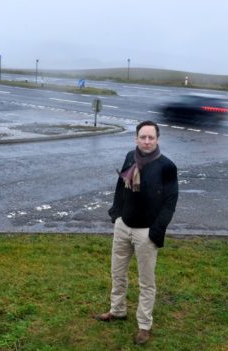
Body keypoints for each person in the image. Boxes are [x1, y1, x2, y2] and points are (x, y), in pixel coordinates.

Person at [95, 120, 179, 345]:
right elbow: (120, 186)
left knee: (146, 282)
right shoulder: (130, 157)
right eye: (143, 137)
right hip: (123, 227)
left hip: (146, 233)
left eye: (151, 137)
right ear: (136, 139)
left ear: (157, 140)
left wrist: (157, 230)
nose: (147, 141)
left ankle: (144, 325)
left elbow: (171, 202)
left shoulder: (167, 166)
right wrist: (116, 215)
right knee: (117, 273)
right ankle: (117, 310)